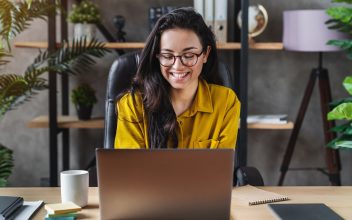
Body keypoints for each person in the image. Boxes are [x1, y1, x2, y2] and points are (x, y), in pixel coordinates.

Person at [114, 7, 240, 149]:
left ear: (205, 54)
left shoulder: (226, 102)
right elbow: (130, 169)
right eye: (168, 56)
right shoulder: (133, 105)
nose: (178, 66)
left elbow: (221, 168)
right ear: (157, 56)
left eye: (189, 55)